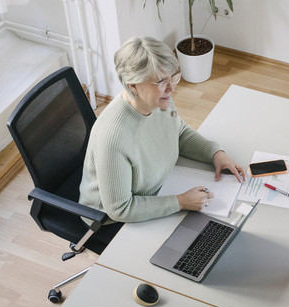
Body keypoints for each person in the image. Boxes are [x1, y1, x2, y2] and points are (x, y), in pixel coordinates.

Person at [79, 37, 244, 223]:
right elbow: (120, 209)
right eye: (160, 82)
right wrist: (181, 202)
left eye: (173, 77)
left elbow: (179, 133)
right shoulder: (113, 137)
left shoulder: (159, 101)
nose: (172, 88)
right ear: (133, 85)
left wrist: (215, 153)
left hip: (161, 189)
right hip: (114, 222)